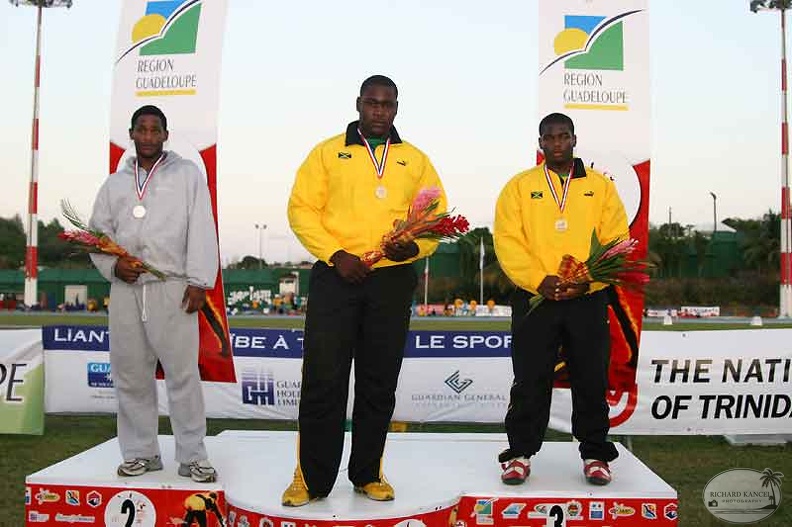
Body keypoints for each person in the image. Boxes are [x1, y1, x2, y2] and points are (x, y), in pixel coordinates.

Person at [282, 75, 446, 506]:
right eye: (372, 103)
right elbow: (301, 210)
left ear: (396, 108)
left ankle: (368, 473)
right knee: (323, 380)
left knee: (378, 382)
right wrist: (336, 254)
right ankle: (310, 478)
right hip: (337, 275)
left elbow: (435, 219)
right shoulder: (327, 152)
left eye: (387, 104)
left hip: (391, 281)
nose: (379, 111)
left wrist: (415, 247)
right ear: (358, 104)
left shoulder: (415, 160)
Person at [493, 112, 629, 486]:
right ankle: (519, 453)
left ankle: (595, 454)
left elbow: (617, 240)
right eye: (549, 138)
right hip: (535, 298)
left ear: (574, 139)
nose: (557, 143)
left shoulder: (600, 186)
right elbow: (507, 240)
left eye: (563, 136)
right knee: (529, 378)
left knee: (591, 377)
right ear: (540, 143)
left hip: (586, 298)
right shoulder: (520, 186)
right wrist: (538, 280)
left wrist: (589, 283)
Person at [89, 105, 219, 483]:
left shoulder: (187, 175)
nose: (148, 136)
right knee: (130, 376)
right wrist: (113, 267)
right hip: (126, 289)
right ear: (131, 134)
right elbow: (98, 235)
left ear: (165, 134)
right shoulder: (114, 184)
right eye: (141, 129)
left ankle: (193, 456)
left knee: (182, 375)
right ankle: (140, 453)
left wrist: (199, 281)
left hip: (172, 286)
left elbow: (202, 226)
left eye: (154, 129)